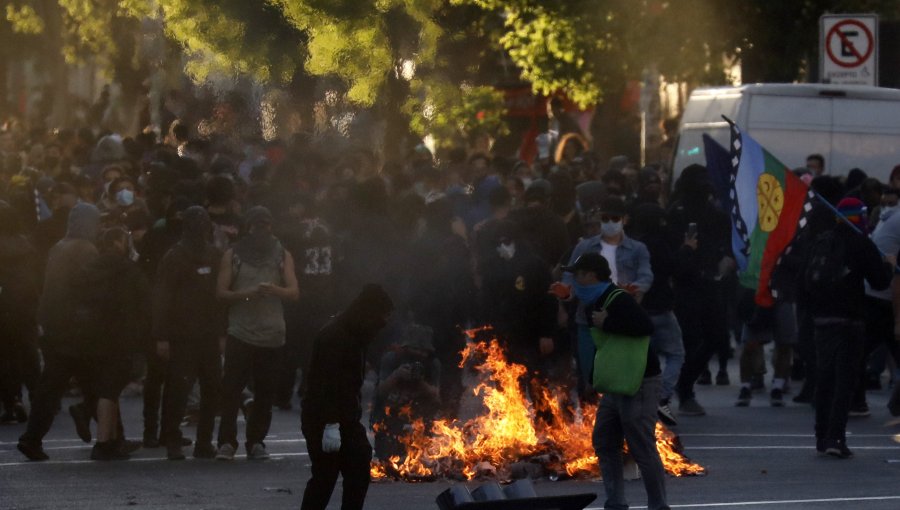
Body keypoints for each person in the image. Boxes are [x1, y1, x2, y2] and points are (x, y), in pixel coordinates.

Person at [564, 253, 668, 510]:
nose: (574, 281)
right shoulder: (592, 303)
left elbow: (644, 326)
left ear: (590, 275)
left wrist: (608, 322)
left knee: (641, 446)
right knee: (604, 440)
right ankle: (616, 503)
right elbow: (604, 346)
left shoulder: (617, 298)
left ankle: (658, 505)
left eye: (578, 275)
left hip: (639, 381)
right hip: (616, 382)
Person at [805, 198, 895, 458]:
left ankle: (821, 436)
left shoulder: (822, 241)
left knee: (824, 379)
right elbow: (879, 282)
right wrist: (888, 263)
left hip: (822, 320)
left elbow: (805, 281)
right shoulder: (861, 242)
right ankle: (836, 437)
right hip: (850, 321)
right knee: (844, 381)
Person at [17, 203, 102, 461]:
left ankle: (32, 438)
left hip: (55, 326)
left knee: (52, 387)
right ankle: (110, 435)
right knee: (93, 382)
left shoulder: (59, 246)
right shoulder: (87, 249)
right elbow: (89, 289)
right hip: (76, 328)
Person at [215, 206, 299, 461]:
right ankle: (227, 443)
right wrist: (247, 294)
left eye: (266, 225)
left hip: (272, 334)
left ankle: (256, 442)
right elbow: (221, 292)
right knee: (231, 391)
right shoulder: (233, 255)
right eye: (256, 226)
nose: (261, 231)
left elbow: (294, 292)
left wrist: (275, 290)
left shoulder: (282, 255)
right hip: (240, 332)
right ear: (248, 228)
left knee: (265, 393)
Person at [301, 284, 394, 510]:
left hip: (344, 419)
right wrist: (331, 425)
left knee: (359, 466)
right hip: (324, 419)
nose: (381, 326)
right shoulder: (337, 337)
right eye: (380, 318)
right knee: (325, 476)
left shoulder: (353, 333)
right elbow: (328, 385)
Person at [154, 206, 224, 460]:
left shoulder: (181, 255)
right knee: (186, 390)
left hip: (195, 334)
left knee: (195, 389)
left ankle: (193, 441)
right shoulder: (184, 256)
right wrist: (162, 335)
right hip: (187, 335)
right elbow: (163, 298)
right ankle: (184, 441)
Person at [77, 227, 151, 460]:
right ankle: (104, 442)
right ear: (120, 243)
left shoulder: (89, 269)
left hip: (92, 336)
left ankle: (113, 437)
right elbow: (144, 301)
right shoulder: (128, 269)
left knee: (107, 387)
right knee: (110, 390)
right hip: (122, 337)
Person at [370, 323, 441, 460]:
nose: (418, 354)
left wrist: (421, 382)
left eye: (422, 351)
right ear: (405, 348)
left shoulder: (432, 364)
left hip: (419, 418)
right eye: (414, 348)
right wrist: (396, 375)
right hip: (390, 416)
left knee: (418, 461)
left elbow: (436, 398)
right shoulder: (391, 359)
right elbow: (380, 392)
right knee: (388, 461)